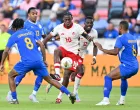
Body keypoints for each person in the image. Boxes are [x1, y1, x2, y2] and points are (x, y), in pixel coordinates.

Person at [0, 18, 76, 104]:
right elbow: (41, 44)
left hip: (26, 61)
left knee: (10, 75)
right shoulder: (31, 32)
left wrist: (2, 63)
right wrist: (44, 59)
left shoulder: (13, 36)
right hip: (38, 60)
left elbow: (6, 51)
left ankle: (14, 99)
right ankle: (69, 94)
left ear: (15, 27)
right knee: (50, 80)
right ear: (23, 25)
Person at [43, 13, 95, 103]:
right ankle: (57, 75)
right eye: (65, 20)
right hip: (64, 50)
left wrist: (89, 38)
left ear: (72, 19)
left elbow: (86, 35)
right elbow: (49, 37)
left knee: (73, 75)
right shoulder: (59, 27)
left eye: (69, 20)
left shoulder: (78, 27)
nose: (67, 21)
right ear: (63, 19)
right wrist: (42, 43)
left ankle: (65, 93)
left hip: (74, 54)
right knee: (56, 51)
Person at [6, 7, 47, 103]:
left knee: (42, 73)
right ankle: (11, 93)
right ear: (28, 14)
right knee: (22, 73)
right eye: (33, 13)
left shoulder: (40, 25)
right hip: (28, 52)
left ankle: (33, 94)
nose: (35, 15)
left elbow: (45, 37)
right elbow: (19, 34)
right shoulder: (25, 25)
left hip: (37, 52)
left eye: (36, 13)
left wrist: (52, 38)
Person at [95, 21, 139, 105]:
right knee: (123, 78)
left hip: (128, 66)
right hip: (135, 65)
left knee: (108, 77)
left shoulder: (120, 38)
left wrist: (102, 49)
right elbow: (135, 52)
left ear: (120, 28)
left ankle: (105, 100)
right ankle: (122, 100)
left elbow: (115, 52)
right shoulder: (133, 38)